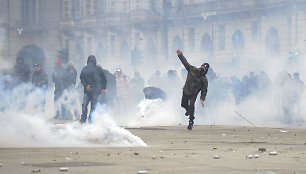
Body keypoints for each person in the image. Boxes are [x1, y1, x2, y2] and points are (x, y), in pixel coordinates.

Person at [176, 49, 209, 130]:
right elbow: (185, 63)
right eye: (202, 66)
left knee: (192, 105)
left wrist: (202, 98)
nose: (203, 68)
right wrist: (180, 55)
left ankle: (191, 121)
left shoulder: (204, 79)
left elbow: (204, 89)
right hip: (186, 90)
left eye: (205, 67)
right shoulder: (192, 69)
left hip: (194, 93)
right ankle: (187, 109)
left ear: (206, 70)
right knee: (183, 104)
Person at [79, 55, 107, 124]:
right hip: (87, 91)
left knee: (92, 106)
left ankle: (90, 120)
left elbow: (104, 80)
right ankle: (83, 119)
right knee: (85, 105)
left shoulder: (98, 69)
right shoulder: (85, 69)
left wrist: (103, 88)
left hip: (95, 91)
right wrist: (86, 86)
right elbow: (82, 79)